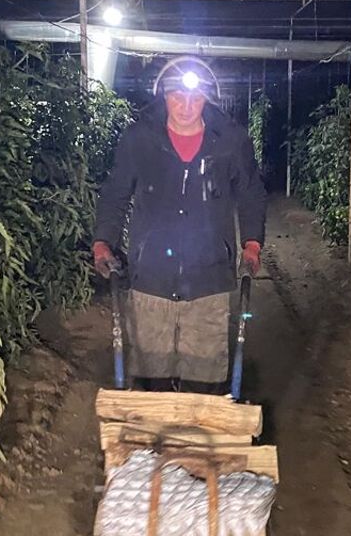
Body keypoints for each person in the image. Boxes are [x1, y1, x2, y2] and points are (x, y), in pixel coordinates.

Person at [91, 56, 267, 395]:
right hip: (151, 276)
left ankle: (200, 421)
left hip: (209, 279)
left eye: (195, 97)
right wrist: (103, 241)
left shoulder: (230, 141)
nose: (186, 106)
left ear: (206, 98)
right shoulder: (140, 139)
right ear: (164, 95)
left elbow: (250, 192)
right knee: (152, 379)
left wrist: (252, 243)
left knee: (204, 379)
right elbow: (116, 192)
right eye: (177, 96)